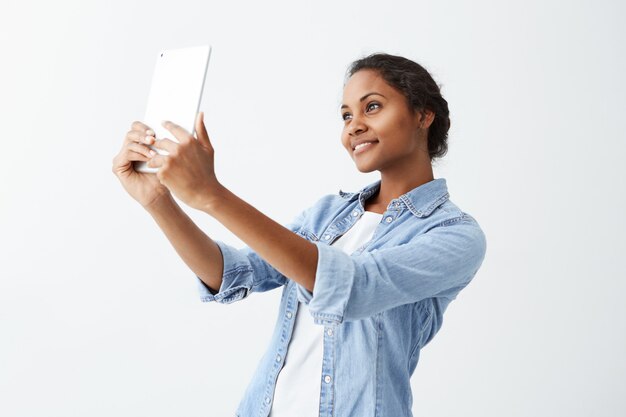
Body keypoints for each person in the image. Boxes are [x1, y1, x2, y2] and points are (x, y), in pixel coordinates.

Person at [112, 52, 487, 417]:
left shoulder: (454, 235)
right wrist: (159, 202)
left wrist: (213, 196)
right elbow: (231, 275)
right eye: (346, 115)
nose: (353, 125)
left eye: (371, 107)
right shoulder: (327, 215)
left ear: (423, 115)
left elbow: (354, 289)